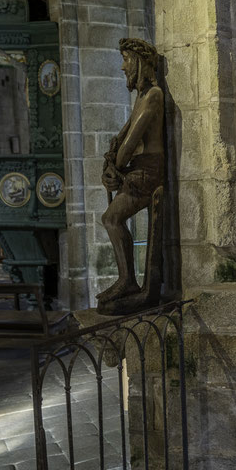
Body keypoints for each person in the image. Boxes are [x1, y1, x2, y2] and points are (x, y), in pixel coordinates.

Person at [98, 38, 165, 305]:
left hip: (148, 173)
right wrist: (110, 168)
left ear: (139, 62)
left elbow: (128, 146)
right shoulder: (142, 96)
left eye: (126, 60)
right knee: (110, 219)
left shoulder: (153, 96)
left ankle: (127, 281)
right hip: (138, 170)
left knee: (111, 219)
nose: (123, 67)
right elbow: (121, 140)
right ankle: (126, 280)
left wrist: (117, 167)